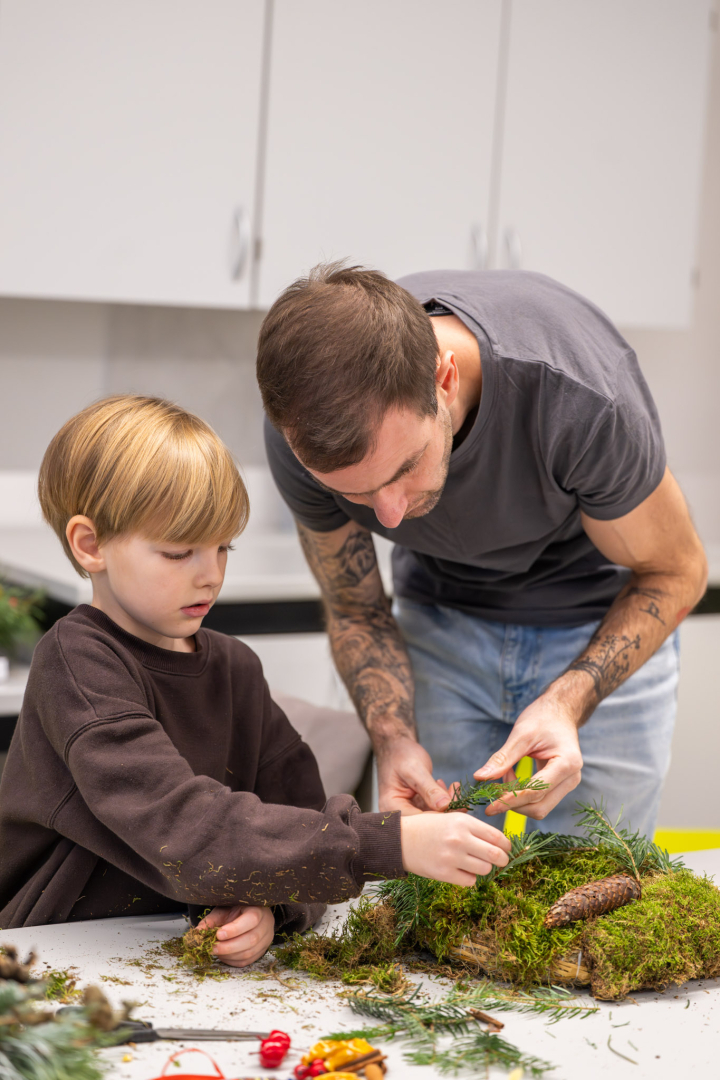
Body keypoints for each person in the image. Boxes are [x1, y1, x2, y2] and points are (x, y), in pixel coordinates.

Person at [0, 395, 511, 954]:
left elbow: (303, 821)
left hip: (173, 955)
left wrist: (274, 907)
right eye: (179, 553)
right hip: (53, 955)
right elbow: (183, 827)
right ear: (91, 544)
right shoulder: (76, 662)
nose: (210, 576)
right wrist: (391, 844)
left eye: (223, 547)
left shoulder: (236, 668)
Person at [258, 264, 708, 838]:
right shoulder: (299, 438)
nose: (389, 514)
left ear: (444, 380)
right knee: (431, 899)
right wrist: (393, 741)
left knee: (592, 897)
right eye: (355, 494)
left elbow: (677, 572)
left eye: (405, 468)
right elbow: (356, 608)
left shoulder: (580, 398)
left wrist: (568, 702)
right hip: (439, 628)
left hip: (595, 623)